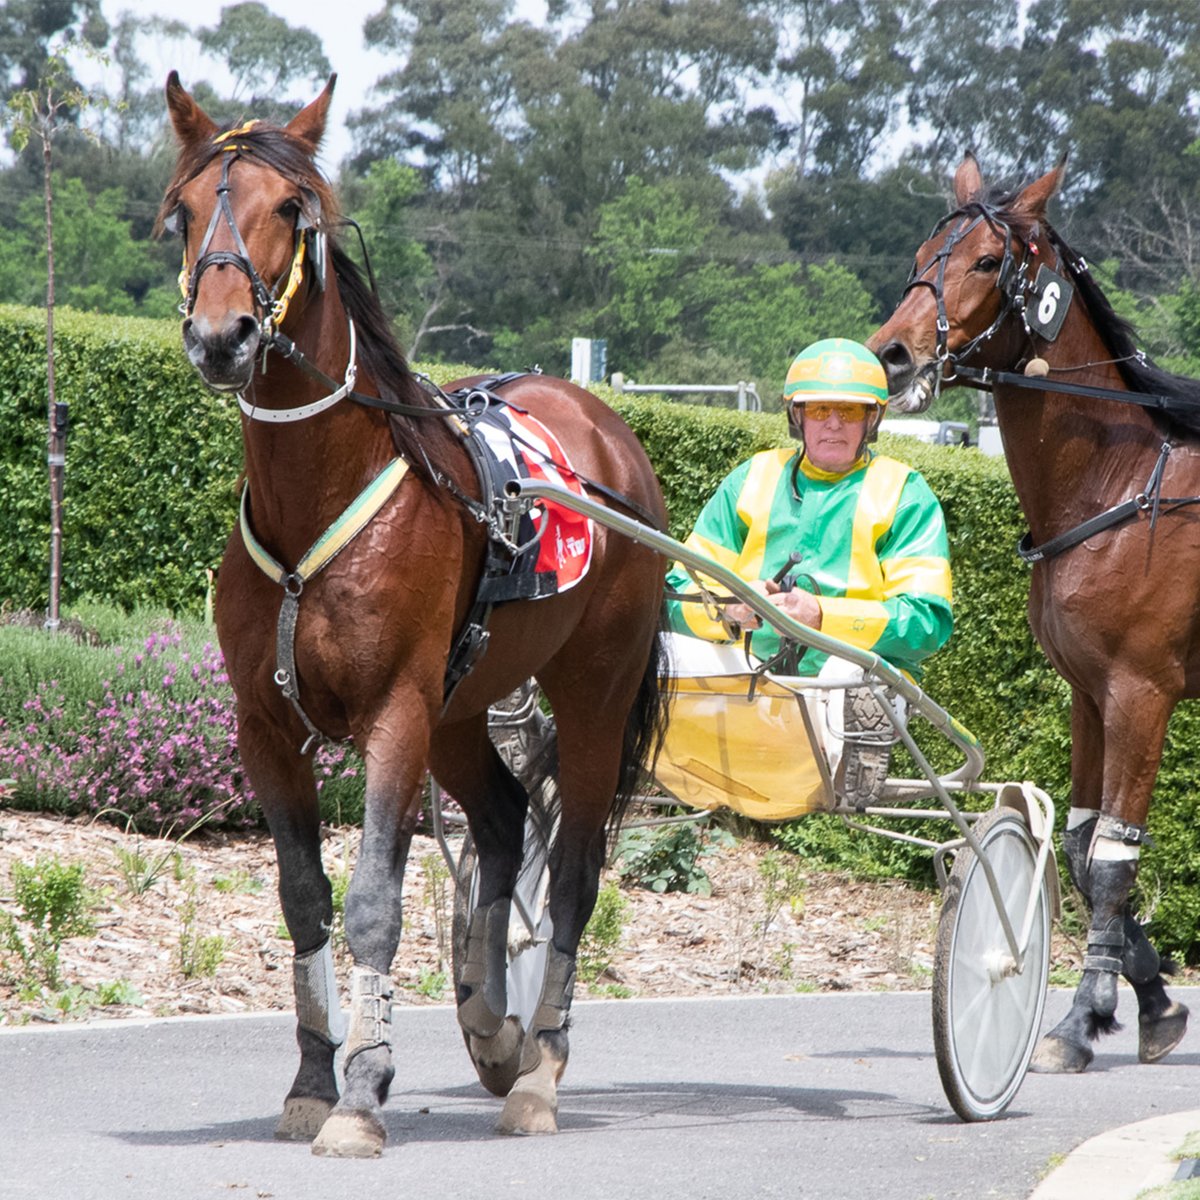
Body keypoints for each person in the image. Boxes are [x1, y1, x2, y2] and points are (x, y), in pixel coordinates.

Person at [664, 338, 953, 804]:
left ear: (872, 419)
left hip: (849, 679)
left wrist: (822, 617)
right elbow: (675, 590)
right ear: (797, 416)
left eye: (850, 412)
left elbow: (926, 622)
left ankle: (851, 769)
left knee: (850, 671)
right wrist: (728, 608)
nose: (834, 424)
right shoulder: (750, 479)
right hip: (748, 670)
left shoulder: (906, 494)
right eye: (819, 410)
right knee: (656, 649)